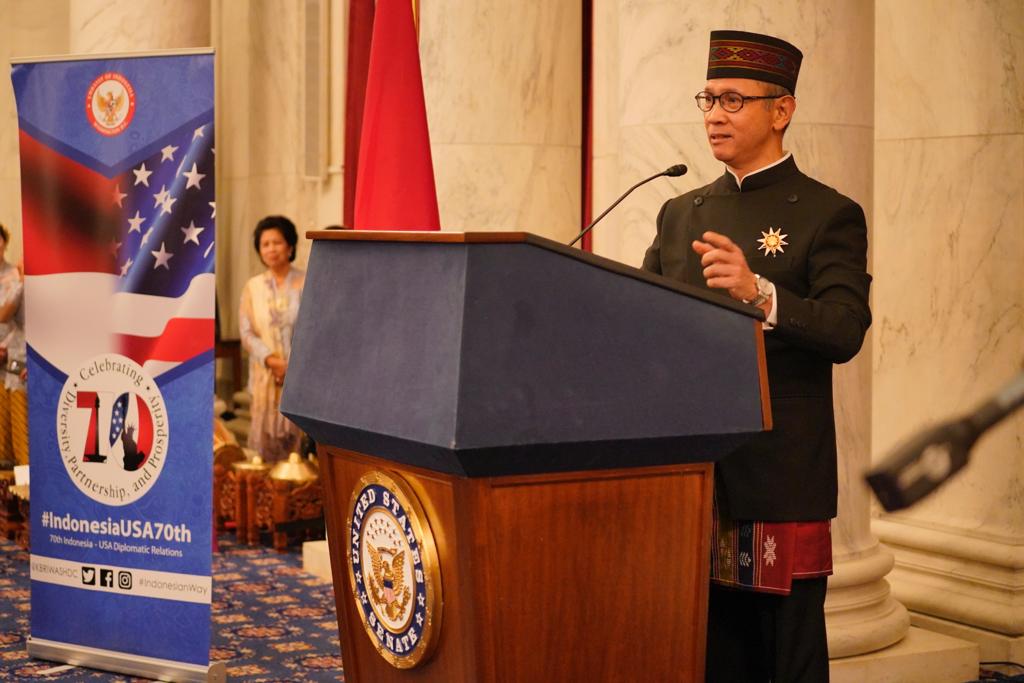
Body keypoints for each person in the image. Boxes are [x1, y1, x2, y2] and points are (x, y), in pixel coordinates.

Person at [642, 30, 872, 682]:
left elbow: (846, 327)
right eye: (708, 98)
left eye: (733, 100)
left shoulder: (829, 214)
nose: (714, 113)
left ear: (781, 110)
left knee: (785, 661)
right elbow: (643, 325)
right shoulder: (680, 210)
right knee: (706, 652)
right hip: (692, 475)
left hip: (779, 476)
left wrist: (762, 295)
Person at [239, 215, 306, 462]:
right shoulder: (252, 287)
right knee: (264, 452)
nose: (271, 249)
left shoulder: (307, 282)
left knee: (298, 451)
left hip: (299, 376)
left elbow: (313, 330)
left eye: (276, 242)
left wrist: (293, 366)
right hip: (265, 377)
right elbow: (246, 333)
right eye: (264, 244)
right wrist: (271, 360)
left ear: (290, 246)